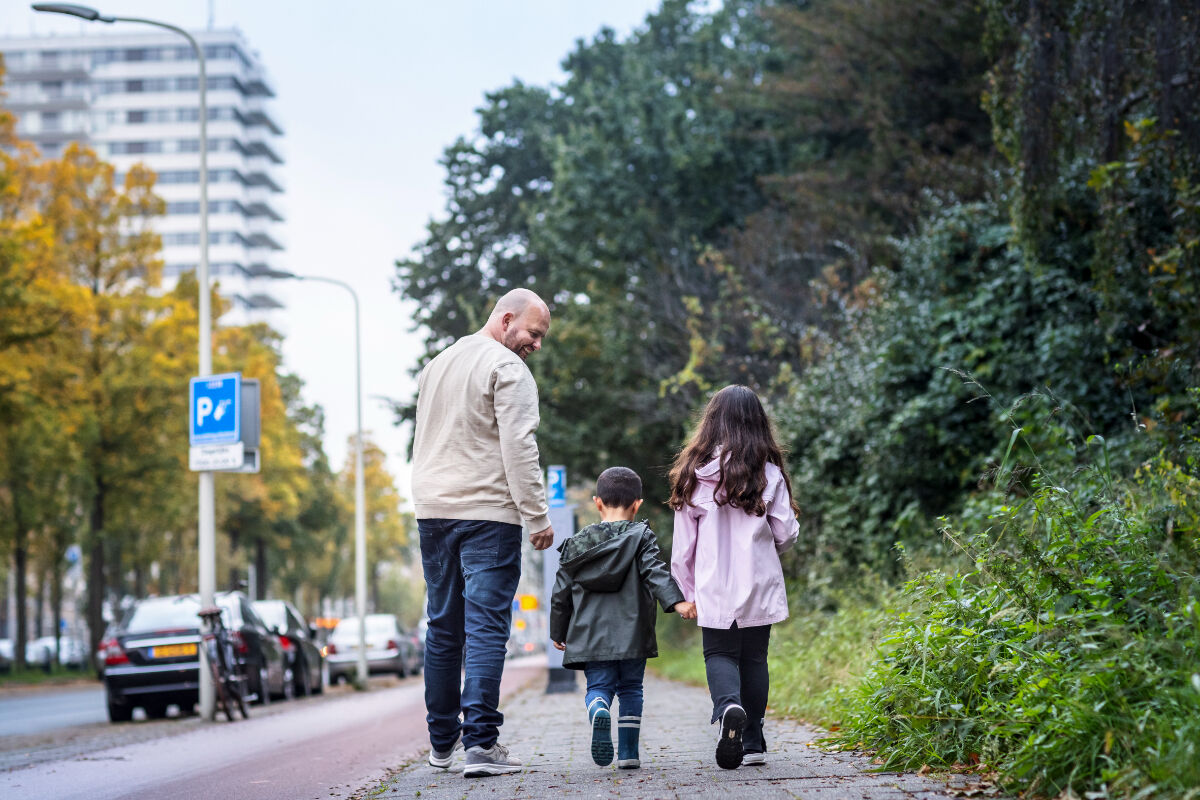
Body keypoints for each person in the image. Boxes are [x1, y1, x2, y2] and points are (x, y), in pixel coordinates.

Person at [411, 288, 556, 778]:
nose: (536, 344)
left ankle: (441, 744)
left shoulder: (437, 364)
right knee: (487, 627)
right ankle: (481, 744)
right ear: (507, 319)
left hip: (432, 511)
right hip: (489, 513)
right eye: (533, 334)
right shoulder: (508, 369)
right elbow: (519, 446)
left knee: (443, 627)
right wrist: (537, 515)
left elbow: (425, 439)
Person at [668, 385, 800, 770]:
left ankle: (728, 707)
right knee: (755, 658)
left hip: (713, 583)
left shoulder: (695, 475)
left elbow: (683, 548)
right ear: (759, 424)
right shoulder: (769, 474)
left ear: (712, 422)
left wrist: (687, 592)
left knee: (720, 653)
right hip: (758, 581)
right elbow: (786, 533)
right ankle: (754, 741)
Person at [549, 467, 696, 769]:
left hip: (590, 636)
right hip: (632, 633)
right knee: (631, 689)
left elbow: (560, 593)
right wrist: (677, 602)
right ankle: (629, 753)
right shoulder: (641, 537)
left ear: (597, 503)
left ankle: (599, 708)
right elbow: (655, 573)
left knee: (598, 687)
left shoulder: (576, 545)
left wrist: (558, 630)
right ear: (637, 504)